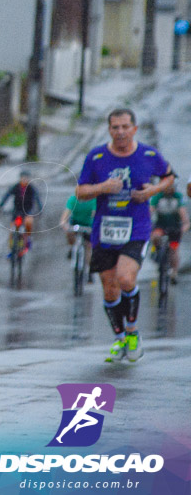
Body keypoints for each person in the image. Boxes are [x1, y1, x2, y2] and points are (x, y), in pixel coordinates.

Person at [75, 108, 174, 363]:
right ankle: (119, 338)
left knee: (125, 277)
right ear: (109, 129)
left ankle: (132, 332)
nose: (120, 132)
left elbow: (169, 177)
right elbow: (81, 191)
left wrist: (153, 190)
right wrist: (102, 188)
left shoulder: (149, 155)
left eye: (125, 127)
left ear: (134, 129)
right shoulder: (97, 156)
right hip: (104, 229)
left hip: (137, 228)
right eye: (115, 127)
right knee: (109, 288)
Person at [149, 182, 189, 284]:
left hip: (175, 226)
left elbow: (183, 213)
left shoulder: (177, 196)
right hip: (161, 225)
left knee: (174, 249)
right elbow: (150, 210)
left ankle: (174, 273)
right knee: (156, 236)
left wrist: (184, 226)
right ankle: (156, 250)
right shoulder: (158, 196)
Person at [0, 170, 43, 253]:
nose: (24, 180)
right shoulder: (16, 187)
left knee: (28, 222)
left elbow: (37, 199)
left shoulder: (31, 188)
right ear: (20, 178)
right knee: (12, 228)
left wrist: (40, 209)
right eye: (23, 178)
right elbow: (7, 196)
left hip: (28, 211)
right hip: (17, 211)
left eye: (26, 178)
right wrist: (0, 207)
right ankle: (11, 248)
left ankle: (27, 238)